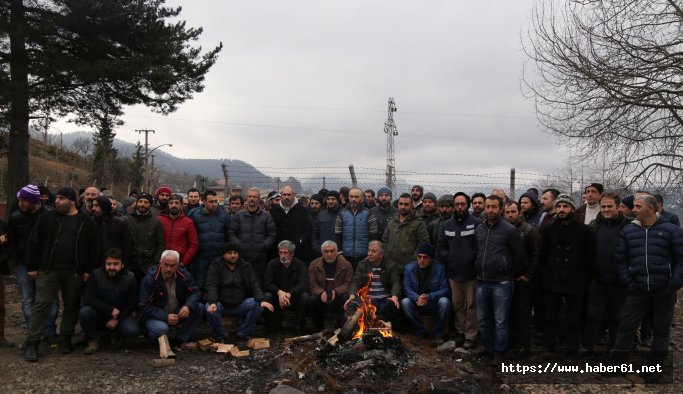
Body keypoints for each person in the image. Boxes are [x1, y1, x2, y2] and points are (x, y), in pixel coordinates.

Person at [607, 194, 683, 383]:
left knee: (661, 330)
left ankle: (654, 368)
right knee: (626, 326)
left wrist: (674, 283)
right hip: (637, 289)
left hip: (663, 290)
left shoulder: (671, 231)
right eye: (634, 206)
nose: (634, 210)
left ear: (651, 208)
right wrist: (627, 280)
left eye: (638, 206)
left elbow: (682, 259)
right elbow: (621, 258)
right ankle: (617, 364)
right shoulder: (629, 231)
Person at [24, 187, 99, 362]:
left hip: (74, 272)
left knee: (71, 306)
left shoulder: (85, 221)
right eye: (56, 198)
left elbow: (93, 248)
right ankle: (33, 342)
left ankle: (66, 338)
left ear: (72, 201)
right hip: (48, 270)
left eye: (62, 198)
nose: (57, 201)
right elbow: (33, 243)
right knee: (41, 305)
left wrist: (87, 270)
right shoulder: (46, 218)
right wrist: (32, 266)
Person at [538, 193, 596, 355]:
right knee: (550, 317)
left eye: (565, 206)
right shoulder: (549, 229)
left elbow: (590, 257)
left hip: (575, 281)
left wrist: (584, 277)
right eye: (559, 206)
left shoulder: (585, 231)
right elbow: (543, 254)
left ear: (572, 208)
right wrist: (545, 274)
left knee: (574, 318)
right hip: (553, 280)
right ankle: (550, 347)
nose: (562, 210)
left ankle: (572, 348)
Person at [1, 185, 57, 344]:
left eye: (23, 200)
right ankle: (32, 333)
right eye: (19, 200)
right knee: (27, 299)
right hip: (23, 265)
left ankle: (49, 331)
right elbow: (12, 242)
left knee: (49, 299)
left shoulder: (49, 216)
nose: (20, 203)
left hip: (45, 265)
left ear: (33, 201)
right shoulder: (16, 218)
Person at [475, 195, 524, 362]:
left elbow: (519, 256)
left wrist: (509, 273)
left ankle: (499, 351)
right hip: (481, 281)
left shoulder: (509, 230)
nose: (490, 210)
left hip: (501, 283)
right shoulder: (480, 228)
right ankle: (487, 348)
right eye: (487, 207)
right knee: (482, 319)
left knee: (500, 320)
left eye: (493, 207)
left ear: (501, 208)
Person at [582, 192, 631, 355]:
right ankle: (588, 346)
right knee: (593, 314)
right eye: (603, 206)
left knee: (617, 317)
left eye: (610, 206)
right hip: (598, 278)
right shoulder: (594, 226)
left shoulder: (629, 227)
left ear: (618, 207)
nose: (606, 209)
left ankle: (613, 349)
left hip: (620, 280)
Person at [205, 243, 274, 342]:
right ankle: (221, 335)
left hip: (240, 304)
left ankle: (243, 333)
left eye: (235, 253)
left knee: (259, 305)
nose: (233, 255)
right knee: (207, 307)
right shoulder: (216, 265)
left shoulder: (245, 266)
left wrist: (260, 300)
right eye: (230, 253)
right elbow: (211, 285)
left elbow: (254, 284)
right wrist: (212, 302)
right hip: (221, 304)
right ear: (224, 255)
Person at [438, 192, 479, 349]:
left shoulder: (476, 223)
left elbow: (479, 247)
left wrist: (471, 260)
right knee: (457, 305)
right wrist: (450, 258)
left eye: (463, 204)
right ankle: (460, 333)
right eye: (457, 204)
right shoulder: (447, 225)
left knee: (472, 306)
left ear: (467, 205)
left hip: (471, 274)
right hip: (454, 274)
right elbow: (441, 247)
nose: (460, 207)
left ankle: (471, 335)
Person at [79, 248, 140, 354]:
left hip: (121, 315)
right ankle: (93, 339)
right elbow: (89, 299)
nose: (112, 267)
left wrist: (117, 319)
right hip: (100, 314)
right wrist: (110, 310)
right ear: (105, 264)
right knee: (85, 312)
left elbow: (132, 304)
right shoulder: (96, 275)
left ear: (122, 264)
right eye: (109, 264)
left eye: (116, 264)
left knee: (132, 330)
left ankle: (116, 335)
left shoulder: (130, 278)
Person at [139, 250, 203, 347]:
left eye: (172, 265)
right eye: (166, 265)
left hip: (177, 311)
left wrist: (187, 306)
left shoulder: (184, 275)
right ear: (160, 263)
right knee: (162, 329)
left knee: (198, 307)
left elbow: (195, 292)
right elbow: (143, 306)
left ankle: (180, 339)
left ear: (177, 265)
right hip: (157, 315)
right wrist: (165, 316)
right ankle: (153, 341)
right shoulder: (150, 279)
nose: (169, 269)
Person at [503, 201, 541, 357]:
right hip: (506, 278)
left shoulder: (529, 231)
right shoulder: (502, 230)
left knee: (523, 313)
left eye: (513, 211)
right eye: (507, 212)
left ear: (519, 212)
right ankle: (510, 342)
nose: (510, 215)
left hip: (523, 280)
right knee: (508, 312)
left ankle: (524, 346)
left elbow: (537, 254)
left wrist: (528, 275)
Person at [401, 243, 451, 346]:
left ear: (431, 259)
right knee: (405, 302)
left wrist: (429, 297)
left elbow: (445, 289)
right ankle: (421, 332)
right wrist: (417, 298)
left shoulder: (439, 269)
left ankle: (438, 334)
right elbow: (406, 288)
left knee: (445, 302)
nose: (421, 260)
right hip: (417, 302)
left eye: (425, 257)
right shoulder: (409, 268)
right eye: (419, 257)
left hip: (432, 303)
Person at [345, 241, 401, 326]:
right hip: (368, 300)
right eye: (369, 250)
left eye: (373, 251)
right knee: (351, 307)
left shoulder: (390, 265)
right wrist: (352, 295)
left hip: (384, 300)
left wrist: (394, 296)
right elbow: (355, 281)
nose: (370, 254)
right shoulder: (362, 264)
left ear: (381, 254)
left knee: (394, 305)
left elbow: (395, 282)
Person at [229, 187, 276, 286]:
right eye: (250, 196)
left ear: (258, 199)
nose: (252, 198)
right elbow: (231, 233)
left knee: (258, 285)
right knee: (242, 284)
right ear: (246, 198)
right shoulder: (238, 216)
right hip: (242, 258)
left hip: (260, 258)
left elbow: (271, 234)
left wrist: (264, 246)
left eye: (255, 197)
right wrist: (239, 245)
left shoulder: (266, 216)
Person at [187, 190, 231, 291]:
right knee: (199, 284)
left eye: (216, 201)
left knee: (218, 283)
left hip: (218, 257)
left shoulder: (224, 215)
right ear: (204, 201)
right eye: (211, 202)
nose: (215, 204)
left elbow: (229, 235)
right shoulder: (194, 214)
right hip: (200, 257)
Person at [264, 241, 310, 335]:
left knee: (305, 296)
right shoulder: (272, 264)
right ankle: (271, 328)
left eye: (285, 253)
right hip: (277, 298)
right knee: (267, 296)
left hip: (293, 298)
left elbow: (303, 284)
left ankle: (298, 327)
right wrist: (279, 292)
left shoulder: (300, 265)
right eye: (280, 252)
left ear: (292, 253)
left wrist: (289, 294)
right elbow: (267, 283)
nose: (282, 255)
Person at [308, 241, 353, 331]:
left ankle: (340, 328)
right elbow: (312, 283)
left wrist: (335, 291)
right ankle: (318, 328)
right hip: (322, 293)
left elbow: (348, 283)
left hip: (338, 293)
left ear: (336, 252)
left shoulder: (346, 265)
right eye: (326, 251)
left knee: (346, 298)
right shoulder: (314, 264)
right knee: (312, 299)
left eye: (332, 251)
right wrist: (320, 292)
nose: (329, 254)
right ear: (322, 252)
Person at [382, 193, 430, 270]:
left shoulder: (418, 223)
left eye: (406, 204)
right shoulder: (391, 220)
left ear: (412, 205)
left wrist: (413, 258)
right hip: (390, 266)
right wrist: (386, 256)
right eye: (401, 204)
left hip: (408, 267)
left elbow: (424, 243)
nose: (403, 207)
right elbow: (384, 240)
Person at [334, 187, 379, 269]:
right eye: (351, 196)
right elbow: (337, 234)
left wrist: (370, 254)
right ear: (348, 197)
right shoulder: (341, 214)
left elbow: (373, 235)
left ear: (361, 198)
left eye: (356, 197)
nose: (353, 199)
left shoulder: (369, 214)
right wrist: (340, 254)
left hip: (364, 256)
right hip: (345, 256)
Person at [124, 193, 165, 283]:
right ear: (136, 203)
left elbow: (160, 244)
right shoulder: (126, 220)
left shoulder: (156, 222)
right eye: (140, 201)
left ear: (150, 205)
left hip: (148, 267)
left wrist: (155, 262)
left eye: (146, 202)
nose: (142, 204)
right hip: (129, 266)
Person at [271, 186, 312, 261]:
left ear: (293, 195)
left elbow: (308, 229)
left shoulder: (302, 211)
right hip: (278, 251)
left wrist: (300, 240)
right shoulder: (274, 211)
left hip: (297, 251)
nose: (286, 197)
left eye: (289, 195)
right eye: (284, 194)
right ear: (281, 195)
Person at [92, 196, 132, 267]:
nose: (93, 208)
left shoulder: (120, 223)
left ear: (104, 206)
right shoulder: (91, 223)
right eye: (93, 205)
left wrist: (124, 264)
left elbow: (127, 247)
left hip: (115, 266)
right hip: (95, 266)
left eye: (97, 205)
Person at [311, 190, 342, 259]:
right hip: (322, 252)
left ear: (337, 200)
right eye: (328, 199)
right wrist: (317, 248)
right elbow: (315, 233)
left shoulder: (343, 214)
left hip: (338, 252)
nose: (330, 201)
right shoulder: (321, 215)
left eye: (333, 199)